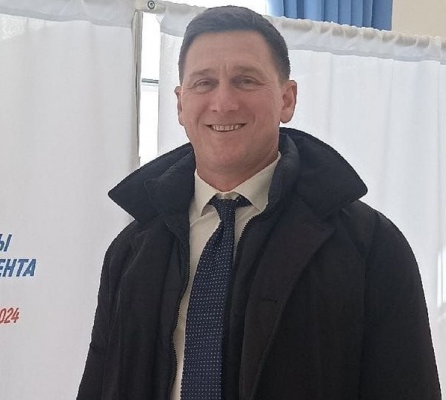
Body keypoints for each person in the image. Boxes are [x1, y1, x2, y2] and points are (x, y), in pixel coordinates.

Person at [77, 6, 440, 400]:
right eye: (204, 83)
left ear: (287, 99)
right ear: (180, 104)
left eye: (245, 80)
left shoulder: (370, 247)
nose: (223, 102)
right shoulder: (132, 251)